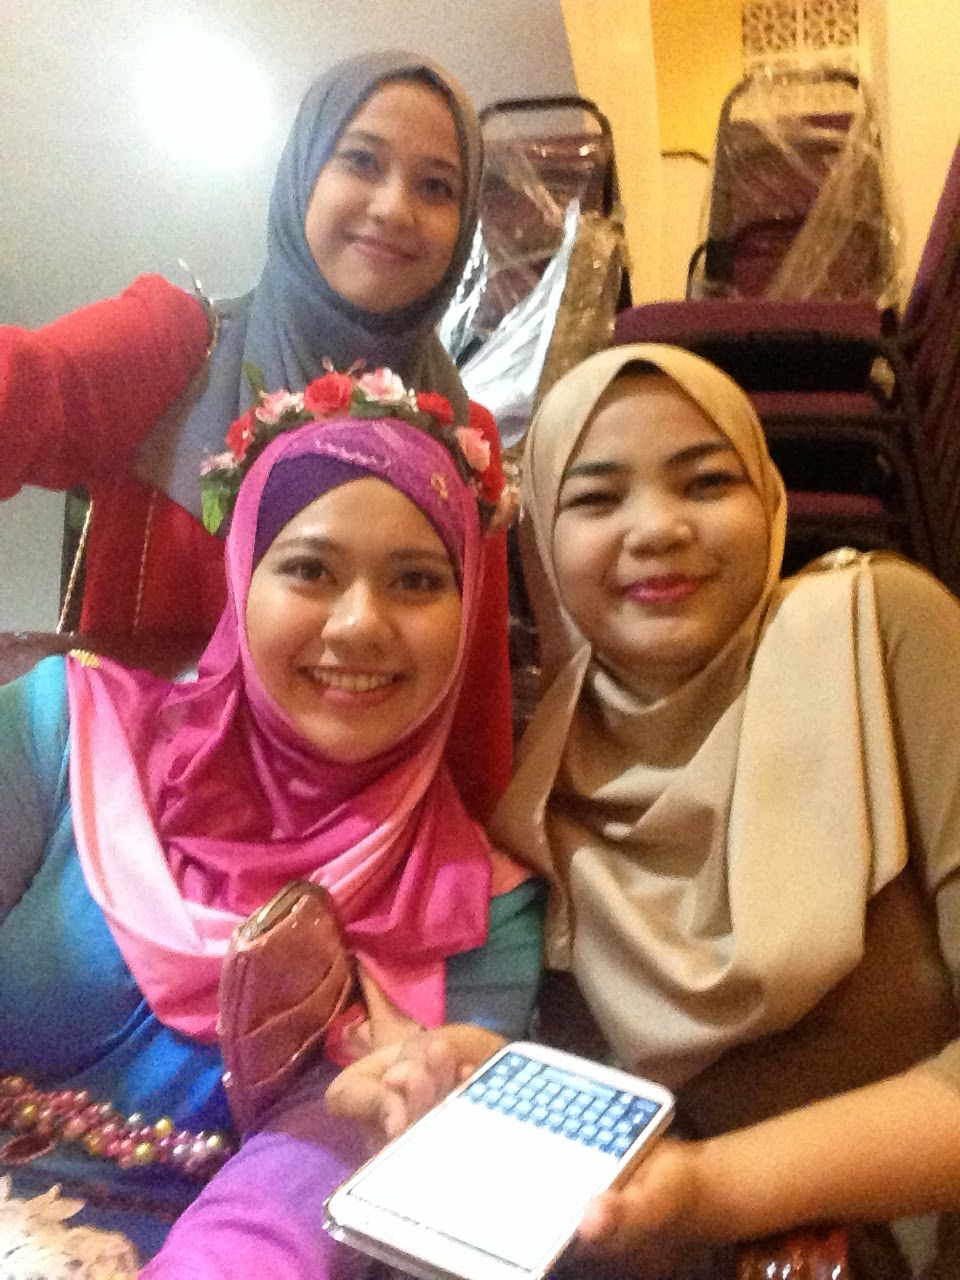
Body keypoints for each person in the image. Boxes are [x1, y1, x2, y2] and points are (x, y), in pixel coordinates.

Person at [332, 344, 960, 1277]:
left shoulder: (883, 637)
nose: (659, 528)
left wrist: (716, 1186)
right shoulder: (543, 779)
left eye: (707, 483)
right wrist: (489, 1077)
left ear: (768, 499)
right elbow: (633, 1140)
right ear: (543, 547)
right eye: (596, 498)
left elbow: (689, 1178)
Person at [0, 384, 542, 1276]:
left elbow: (298, 1196)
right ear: (242, 577)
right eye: (310, 570)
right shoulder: (61, 730)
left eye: (416, 580)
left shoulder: (478, 914)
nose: (359, 626)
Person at [0, 49, 511, 822]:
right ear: (304, 174)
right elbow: (21, 391)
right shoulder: (173, 347)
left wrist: (479, 875)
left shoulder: (464, 439)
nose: (394, 208)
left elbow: (472, 725)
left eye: (437, 186)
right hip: (134, 829)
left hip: (358, 855)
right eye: (361, 161)